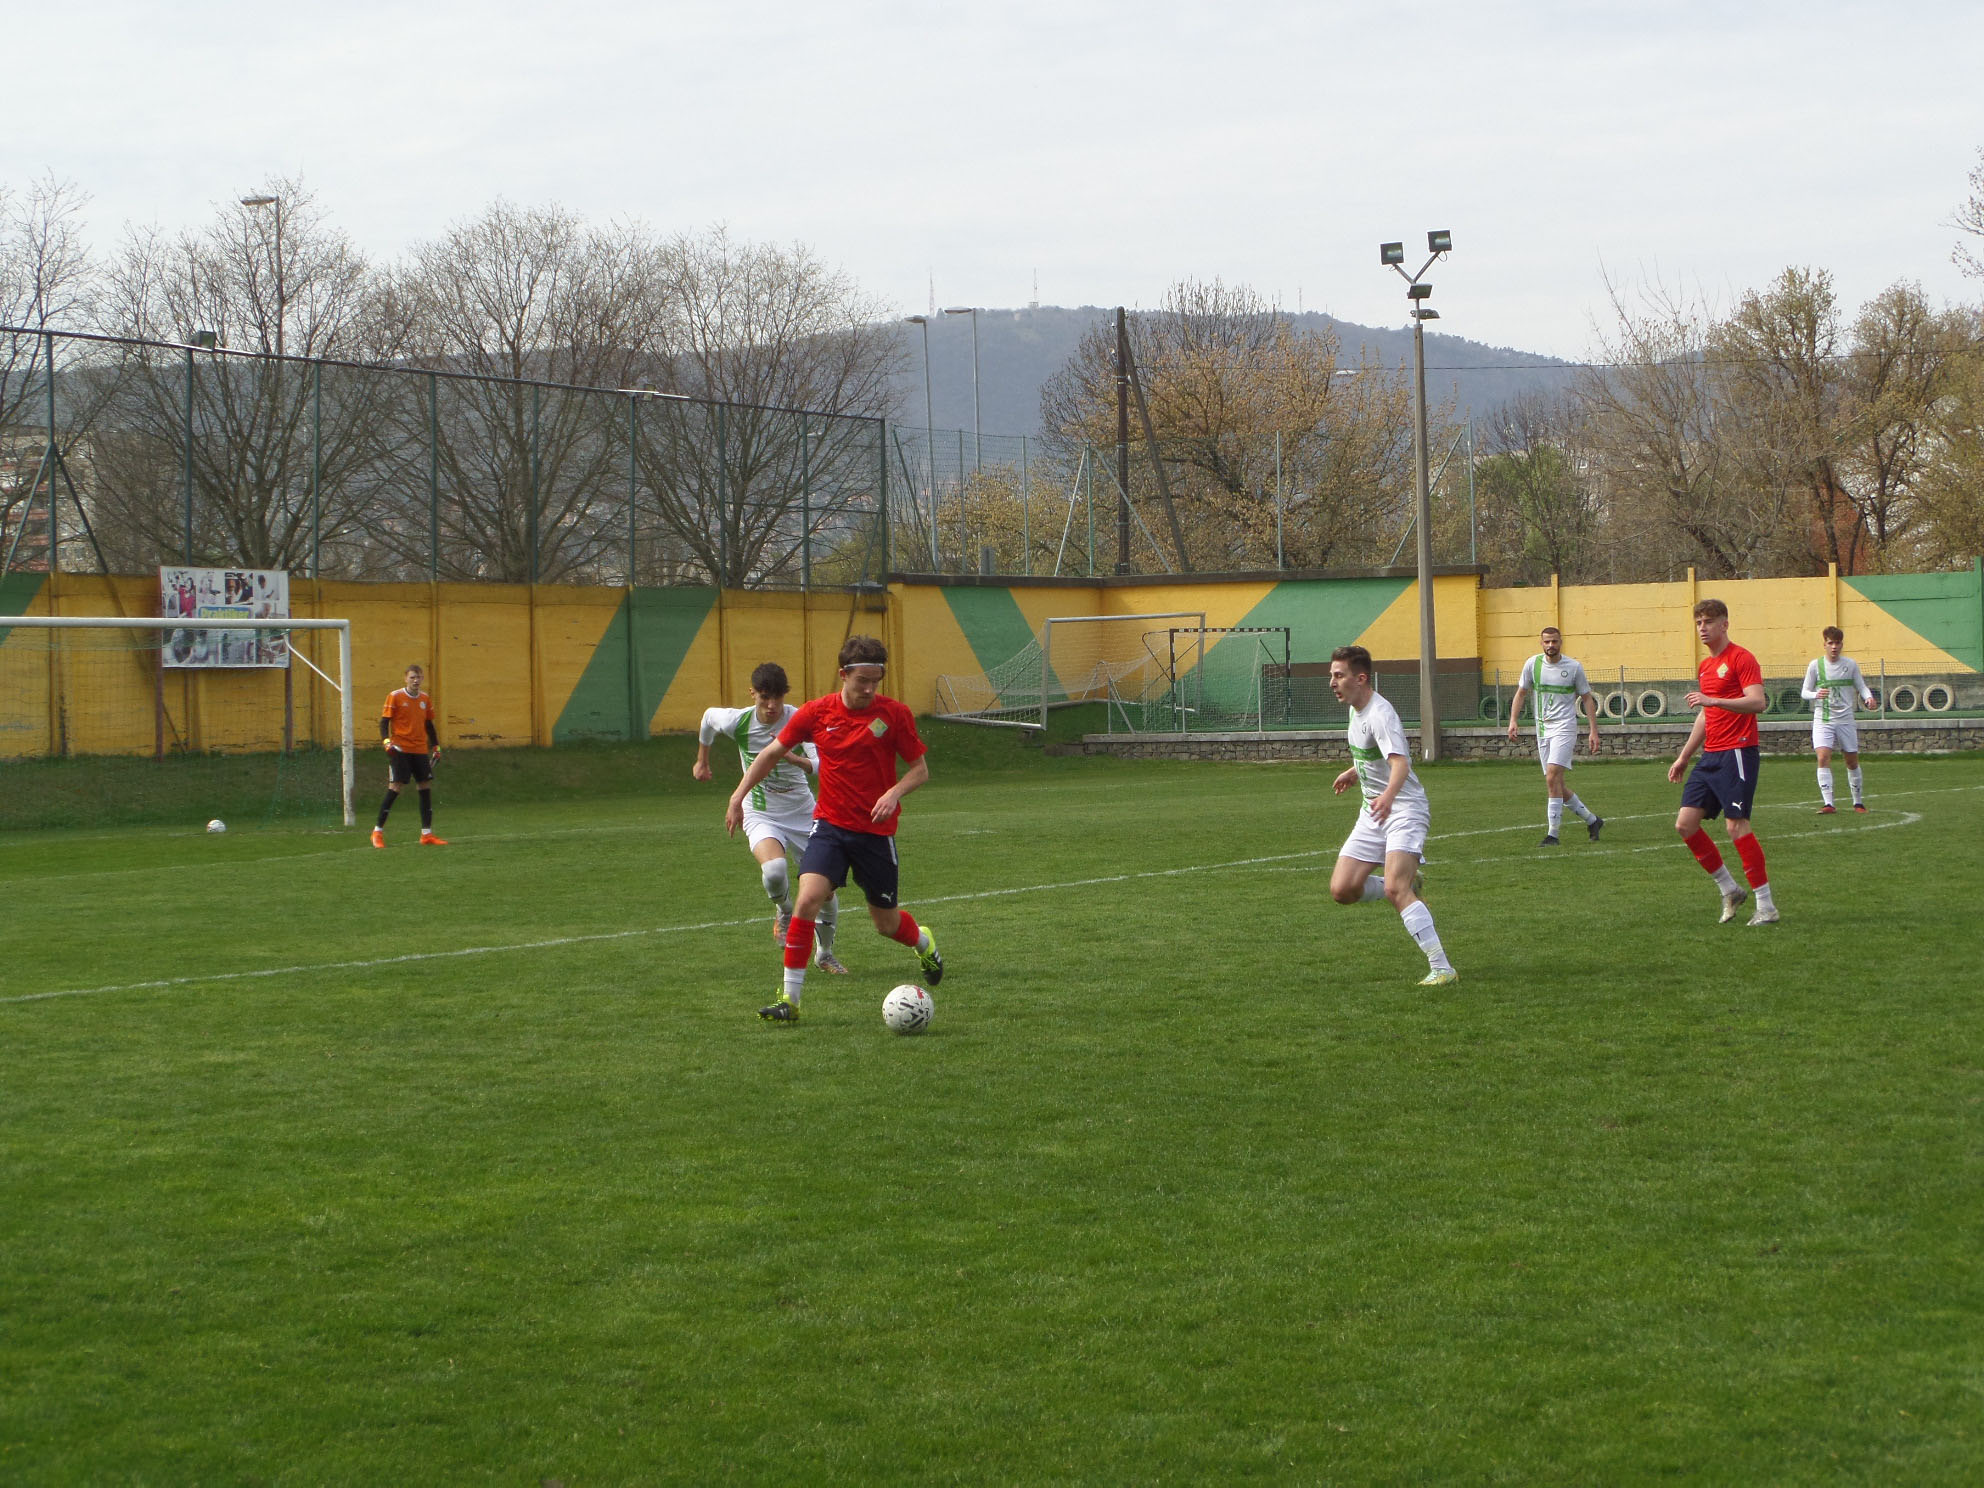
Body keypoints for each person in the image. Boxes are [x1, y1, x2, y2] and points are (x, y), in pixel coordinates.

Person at [726, 635, 942, 1023]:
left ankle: (924, 942)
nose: (869, 688)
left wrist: (893, 792)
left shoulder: (894, 715)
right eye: (862, 680)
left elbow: (920, 770)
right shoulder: (817, 713)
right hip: (830, 827)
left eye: (875, 680)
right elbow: (771, 753)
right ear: (843, 674)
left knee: (886, 924)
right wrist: (738, 796)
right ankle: (790, 1000)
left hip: (875, 833)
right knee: (807, 900)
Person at [695, 662, 846, 976]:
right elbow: (708, 718)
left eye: (777, 697)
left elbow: (820, 765)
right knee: (775, 871)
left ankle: (825, 953)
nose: (771, 705)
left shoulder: (799, 718)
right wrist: (702, 761)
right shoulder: (739, 721)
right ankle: (785, 910)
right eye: (765, 697)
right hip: (760, 810)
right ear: (752, 693)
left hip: (803, 812)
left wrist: (793, 758)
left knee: (826, 891)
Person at [1327, 645, 1458, 986]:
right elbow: (1375, 754)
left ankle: (1442, 968)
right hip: (1373, 810)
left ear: (1360, 678)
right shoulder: (1356, 709)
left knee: (1396, 890)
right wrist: (1354, 772)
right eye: (1332, 675)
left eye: (1339, 675)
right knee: (1342, 889)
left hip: (1403, 809)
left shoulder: (1380, 714)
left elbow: (1400, 763)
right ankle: (1404, 882)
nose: (1332, 682)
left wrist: (1387, 797)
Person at [1668, 599, 1775, 925]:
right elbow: (1706, 714)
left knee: (1735, 825)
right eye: (1699, 622)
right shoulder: (1705, 666)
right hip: (1711, 755)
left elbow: (1757, 702)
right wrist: (1684, 756)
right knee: (1685, 824)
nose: (1702, 628)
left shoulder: (1742, 658)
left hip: (1738, 752)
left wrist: (1713, 700)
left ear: (1725, 624)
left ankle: (1766, 906)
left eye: (1709, 622)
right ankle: (1730, 889)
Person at [1505, 625, 1605, 845]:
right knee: (1556, 783)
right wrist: (1513, 720)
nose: (1551, 645)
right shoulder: (1532, 664)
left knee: (1552, 777)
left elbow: (1587, 698)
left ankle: (1553, 834)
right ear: (1541, 643)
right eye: (1547, 641)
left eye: (1554, 641)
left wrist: (1593, 731)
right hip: (1542, 729)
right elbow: (1521, 693)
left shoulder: (1573, 667)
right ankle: (1592, 820)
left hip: (1565, 727)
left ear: (1561, 642)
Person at [1801, 626, 1875, 814]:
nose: (1834, 647)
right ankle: (1829, 803)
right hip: (1823, 718)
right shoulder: (1815, 665)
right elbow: (1804, 692)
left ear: (1842, 645)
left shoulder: (1850, 665)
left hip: (1845, 719)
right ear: (1824, 644)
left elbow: (1861, 686)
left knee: (1851, 761)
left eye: (1837, 643)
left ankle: (1858, 802)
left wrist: (1868, 697)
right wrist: (1816, 694)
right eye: (1830, 643)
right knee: (1823, 757)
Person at [372, 664, 446, 847]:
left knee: (424, 785)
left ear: (422, 679)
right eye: (412, 677)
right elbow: (384, 722)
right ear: (405, 678)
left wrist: (436, 746)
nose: (415, 680)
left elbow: (429, 725)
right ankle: (377, 832)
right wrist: (386, 741)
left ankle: (426, 834)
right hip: (400, 749)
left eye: (418, 677)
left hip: (420, 749)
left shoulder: (425, 699)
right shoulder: (395, 696)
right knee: (395, 787)